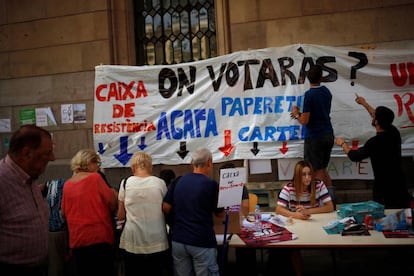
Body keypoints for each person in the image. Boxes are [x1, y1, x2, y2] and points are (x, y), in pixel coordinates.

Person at [335, 95, 410, 208]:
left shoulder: (375, 142)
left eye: (374, 116)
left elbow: (354, 155)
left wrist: (342, 144)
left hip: (384, 189)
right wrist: (364, 103)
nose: (372, 116)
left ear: (377, 121)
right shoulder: (394, 132)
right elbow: (377, 115)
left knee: (385, 217)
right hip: (399, 184)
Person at [0, 124, 56, 275]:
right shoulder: (3, 181)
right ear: (26, 154)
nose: (53, 158)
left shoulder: (29, 177)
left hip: (40, 266)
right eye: (47, 153)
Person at [162, 148, 223, 276]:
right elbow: (220, 213)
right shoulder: (211, 185)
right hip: (202, 240)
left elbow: (165, 208)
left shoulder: (178, 181)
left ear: (192, 163)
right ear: (209, 163)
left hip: (179, 239)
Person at [270, 160, 334, 276]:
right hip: (298, 225)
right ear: (297, 176)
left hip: (316, 223)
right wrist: (297, 215)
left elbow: (330, 207)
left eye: (309, 174)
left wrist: (308, 211)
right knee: (294, 248)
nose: (307, 178)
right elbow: (279, 209)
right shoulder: (289, 188)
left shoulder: (318, 184)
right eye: (303, 174)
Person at [61, 149, 118, 276]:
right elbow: (112, 202)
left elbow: (64, 212)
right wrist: (114, 194)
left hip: (77, 239)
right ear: (90, 162)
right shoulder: (95, 178)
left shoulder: (67, 184)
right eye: (97, 163)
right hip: (99, 237)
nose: (98, 167)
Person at [117, 152, 169, 276]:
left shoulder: (125, 183)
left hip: (132, 240)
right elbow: (166, 209)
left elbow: (120, 215)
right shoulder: (160, 183)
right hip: (157, 239)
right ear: (150, 166)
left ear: (133, 167)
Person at [290, 64, 335, 203]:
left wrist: (296, 114)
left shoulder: (309, 95)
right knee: (323, 169)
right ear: (321, 77)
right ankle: (331, 199)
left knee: (316, 171)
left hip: (315, 137)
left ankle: (323, 201)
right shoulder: (327, 92)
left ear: (307, 78)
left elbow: (305, 120)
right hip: (328, 133)